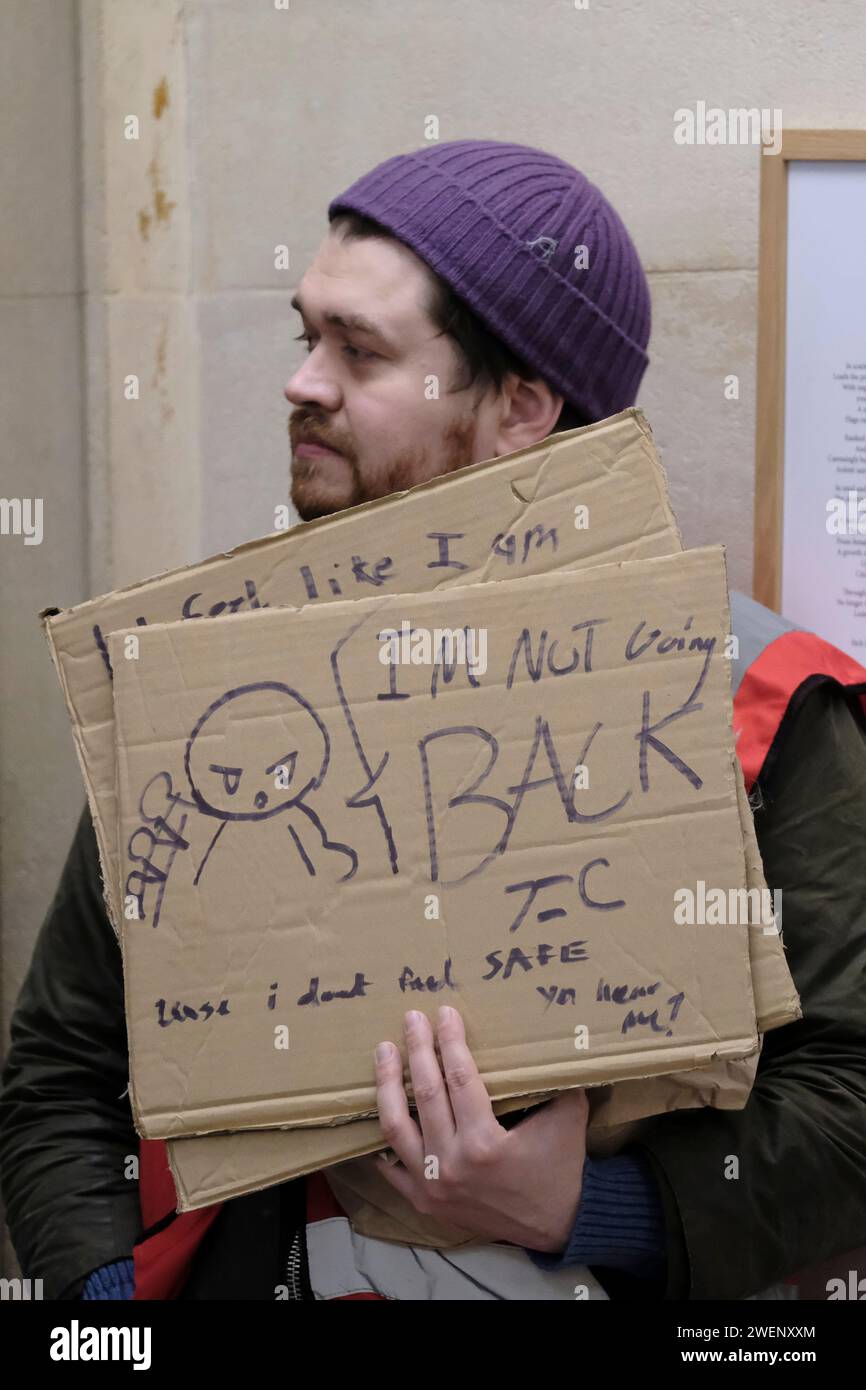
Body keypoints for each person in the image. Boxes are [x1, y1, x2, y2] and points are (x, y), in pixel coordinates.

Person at [2, 141, 865, 1302]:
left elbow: (850, 1102)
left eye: (358, 352)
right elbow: (63, 1072)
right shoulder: (208, 686)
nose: (301, 381)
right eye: (306, 335)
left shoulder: (749, 695)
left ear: (520, 404)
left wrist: (584, 1206)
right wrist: (111, 1317)